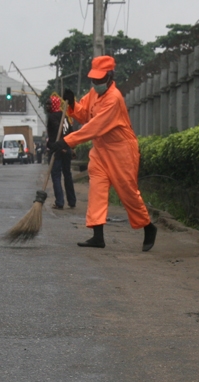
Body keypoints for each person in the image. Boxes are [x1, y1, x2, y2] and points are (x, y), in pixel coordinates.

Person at [51, 55, 157, 251]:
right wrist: (73, 103)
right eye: (94, 79)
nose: (97, 83)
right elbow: (84, 114)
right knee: (97, 191)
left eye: (100, 79)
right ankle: (97, 236)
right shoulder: (93, 93)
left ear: (110, 77)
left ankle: (148, 226)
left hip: (121, 150)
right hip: (100, 150)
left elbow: (95, 126)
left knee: (128, 193)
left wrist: (66, 141)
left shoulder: (114, 99)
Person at [45, 94, 76, 210]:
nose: (47, 106)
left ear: (54, 105)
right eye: (46, 104)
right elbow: (71, 133)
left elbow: (59, 131)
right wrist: (70, 147)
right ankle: (71, 201)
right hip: (66, 148)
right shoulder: (65, 117)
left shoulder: (53, 117)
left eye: (49, 104)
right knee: (67, 175)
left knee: (56, 176)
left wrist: (61, 146)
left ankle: (60, 202)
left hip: (57, 149)